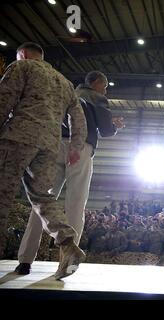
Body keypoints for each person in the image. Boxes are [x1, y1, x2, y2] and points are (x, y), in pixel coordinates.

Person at [15, 71, 124, 275]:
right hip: (80, 147)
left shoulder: (67, 92)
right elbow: (106, 130)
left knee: (43, 203)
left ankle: (25, 260)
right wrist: (115, 125)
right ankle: (67, 263)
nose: (106, 89)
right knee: (75, 204)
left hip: (54, 145)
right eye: (105, 85)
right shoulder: (96, 97)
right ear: (96, 83)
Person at [0, 42, 87, 280]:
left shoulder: (22, 67)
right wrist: (76, 147)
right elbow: (78, 118)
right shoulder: (64, 81)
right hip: (50, 146)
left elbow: (4, 99)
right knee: (42, 196)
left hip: (18, 137)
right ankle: (68, 244)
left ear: (24, 54)